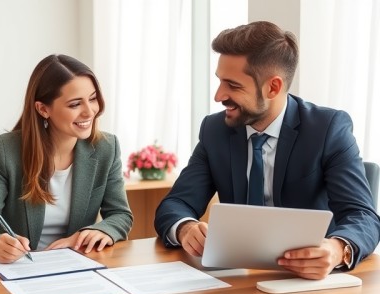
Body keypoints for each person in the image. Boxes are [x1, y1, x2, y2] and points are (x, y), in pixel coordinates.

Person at [154, 21, 380, 280]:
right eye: (219, 81)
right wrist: (185, 228)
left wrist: (338, 249)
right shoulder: (214, 130)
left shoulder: (327, 129)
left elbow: (363, 215)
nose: (218, 96)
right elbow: (176, 203)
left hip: (308, 281)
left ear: (273, 87)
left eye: (233, 85)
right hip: (237, 278)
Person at [0, 54, 133, 263]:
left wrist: (90, 234)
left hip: (73, 266)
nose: (90, 112)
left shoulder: (106, 147)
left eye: (93, 98)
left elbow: (120, 215)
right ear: (43, 109)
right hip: (19, 269)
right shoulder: (7, 150)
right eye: (75, 104)